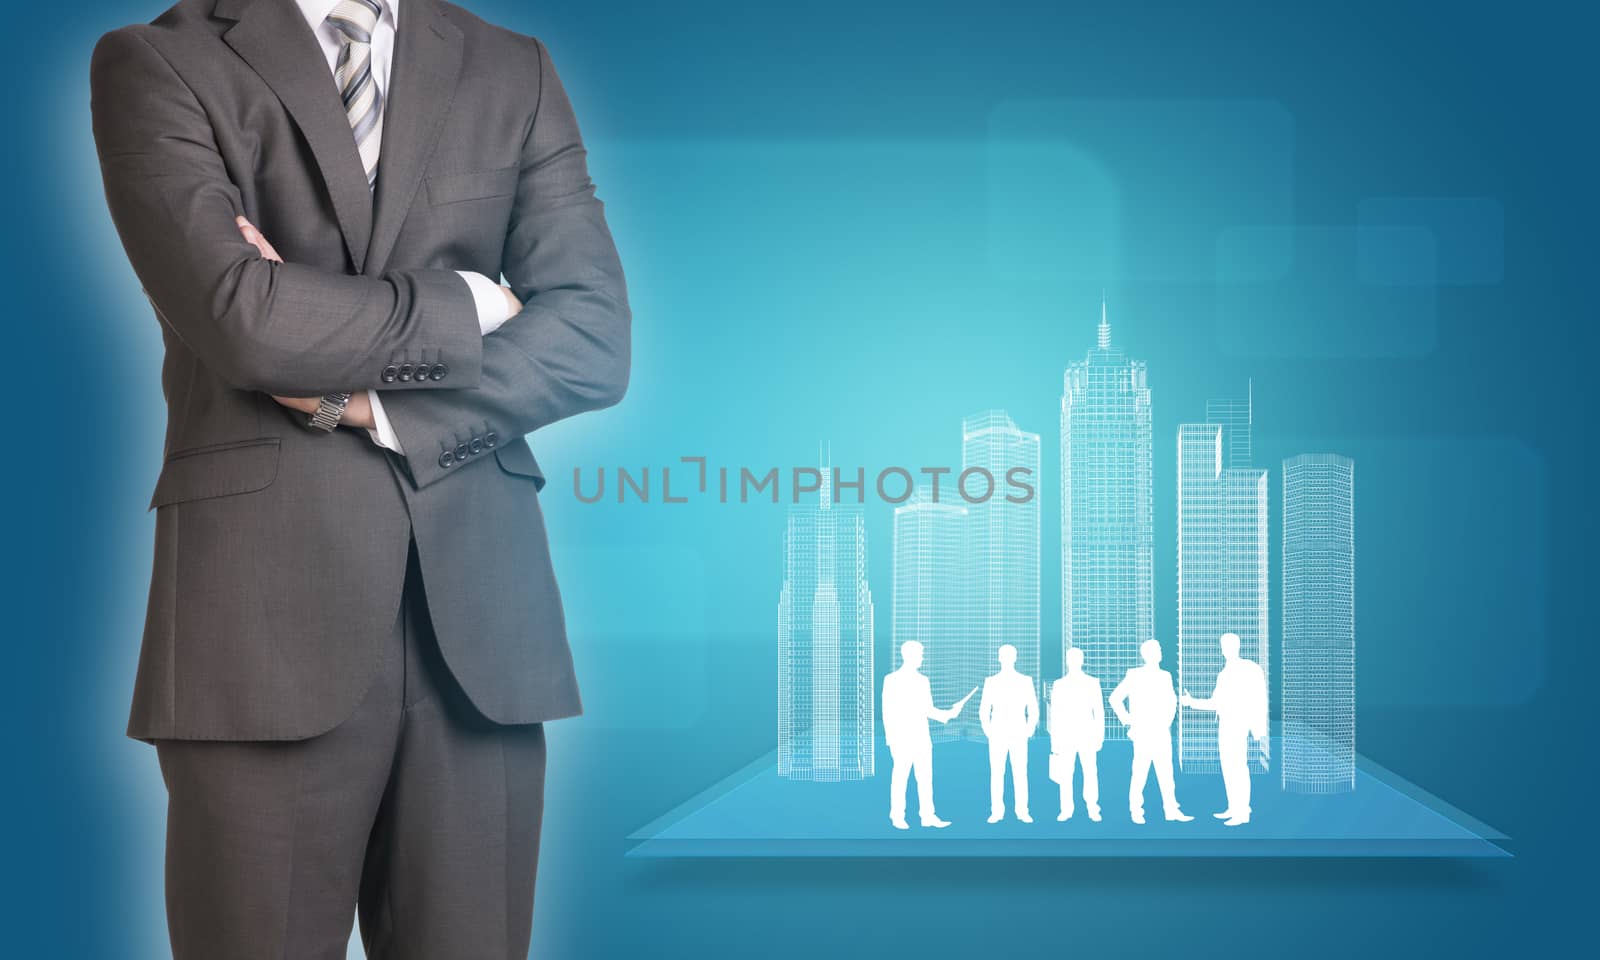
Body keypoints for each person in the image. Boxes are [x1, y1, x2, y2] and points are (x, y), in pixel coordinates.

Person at [89, 1, 630, 955]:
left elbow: (592, 339)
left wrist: (365, 404)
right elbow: (244, 320)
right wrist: (469, 300)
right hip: (260, 626)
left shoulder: (515, 68)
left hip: (482, 636)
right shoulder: (156, 61)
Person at [883, 641, 973, 830]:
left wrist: (948, 714)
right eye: (921, 654)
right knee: (900, 777)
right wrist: (891, 740)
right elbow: (887, 712)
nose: (923, 658)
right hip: (901, 738)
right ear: (910, 655)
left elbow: (928, 710)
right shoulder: (892, 679)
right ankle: (897, 816)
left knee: (925, 778)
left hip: (922, 738)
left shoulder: (923, 680)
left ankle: (928, 816)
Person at [1181, 632, 1269, 826]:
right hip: (1225, 725)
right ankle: (1233, 807)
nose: (1225, 649)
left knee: (1238, 767)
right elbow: (1215, 702)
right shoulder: (1223, 673)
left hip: (1239, 724)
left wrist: (1258, 728)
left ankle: (1242, 812)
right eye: (1223, 645)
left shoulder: (1250, 668)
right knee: (1228, 768)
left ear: (1237, 646)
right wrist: (1191, 702)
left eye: (1229, 644)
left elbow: (1260, 698)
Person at [1109, 640, 1194, 824]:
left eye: (1160, 649)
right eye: (1157, 649)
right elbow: (1115, 698)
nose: (1160, 651)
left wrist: (1167, 722)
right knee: (1140, 773)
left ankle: (1171, 810)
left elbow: (1172, 701)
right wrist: (1128, 720)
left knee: (1166, 774)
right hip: (1143, 733)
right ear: (1147, 654)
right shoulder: (1134, 675)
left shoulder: (1166, 676)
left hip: (1162, 732)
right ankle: (1136, 811)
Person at [979, 644, 1040, 824]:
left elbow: (1033, 710)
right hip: (997, 733)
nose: (1006, 658)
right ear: (999, 658)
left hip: (1019, 733)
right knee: (997, 773)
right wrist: (989, 731)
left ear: (1015, 658)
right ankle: (997, 811)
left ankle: (1022, 811)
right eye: (1003, 655)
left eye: (1009, 655)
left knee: (1020, 773)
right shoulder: (991, 682)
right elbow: (984, 710)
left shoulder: (1025, 681)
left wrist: (1028, 730)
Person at [1048, 647, 1104, 822]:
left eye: (1076, 657)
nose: (1073, 661)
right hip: (1066, 737)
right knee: (1065, 774)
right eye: (1070, 658)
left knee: (1090, 773)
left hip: (1087, 735)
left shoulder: (1093, 683)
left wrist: (1099, 736)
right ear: (1067, 660)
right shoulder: (1059, 685)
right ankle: (1066, 809)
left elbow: (1099, 712)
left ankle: (1093, 808)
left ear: (1082, 660)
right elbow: (1054, 715)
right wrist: (1054, 741)